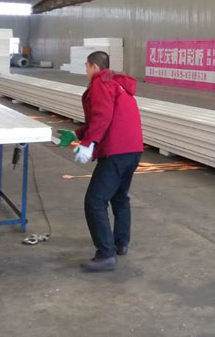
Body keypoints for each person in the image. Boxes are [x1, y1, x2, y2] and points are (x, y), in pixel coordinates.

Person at [75, 50, 144, 273]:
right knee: (120, 197)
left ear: (94, 66)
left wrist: (89, 143)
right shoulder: (119, 84)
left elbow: (102, 116)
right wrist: (80, 134)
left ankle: (106, 254)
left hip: (116, 151)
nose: (86, 71)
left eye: (86, 66)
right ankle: (121, 243)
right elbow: (110, 116)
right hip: (133, 150)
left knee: (95, 201)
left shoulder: (100, 84)